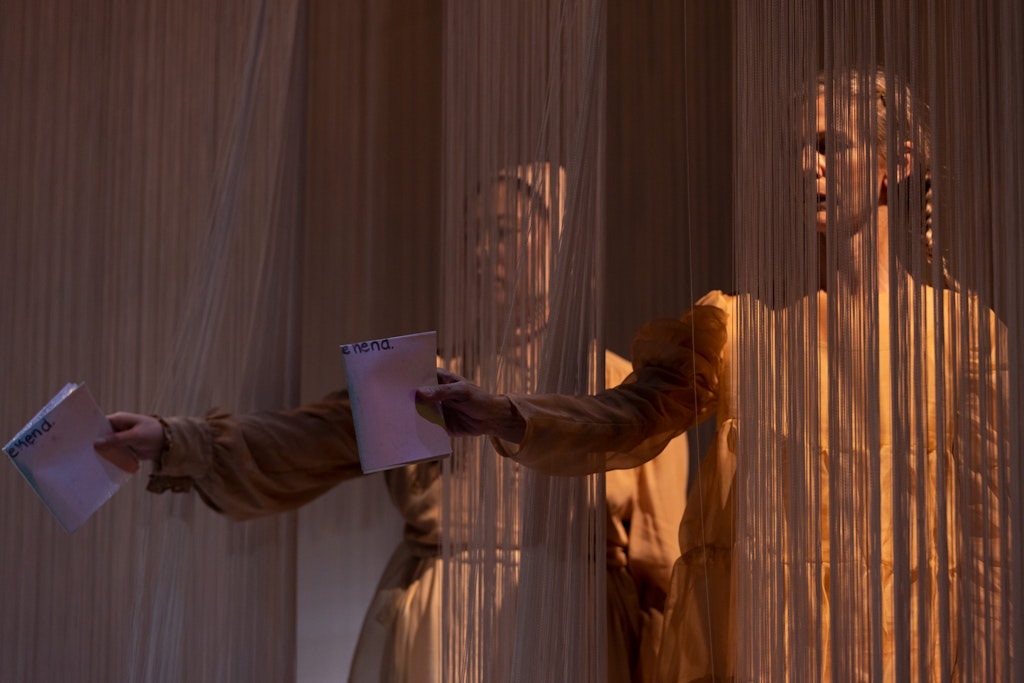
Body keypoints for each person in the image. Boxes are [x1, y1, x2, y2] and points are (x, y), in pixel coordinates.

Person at [414, 69, 1007, 681]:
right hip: (773, 653)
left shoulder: (963, 336)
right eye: (798, 149)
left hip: (913, 653)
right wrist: (510, 414)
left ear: (897, 163)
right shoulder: (737, 327)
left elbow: (994, 545)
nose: (808, 166)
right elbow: (628, 416)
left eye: (831, 145)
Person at [96, 163, 690, 683]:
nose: (483, 253)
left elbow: (661, 563)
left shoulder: (625, 393)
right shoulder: (424, 381)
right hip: (446, 623)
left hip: (577, 631)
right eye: (471, 236)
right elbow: (307, 439)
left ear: (561, 246)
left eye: (505, 233)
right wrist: (173, 438)